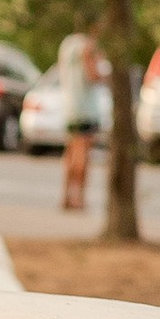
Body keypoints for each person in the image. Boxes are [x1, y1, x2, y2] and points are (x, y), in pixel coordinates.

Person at [54, 30, 105, 214]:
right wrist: (106, 77)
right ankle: (80, 198)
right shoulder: (88, 46)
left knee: (70, 153)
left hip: (69, 104)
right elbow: (92, 75)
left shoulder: (67, 44)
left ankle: (66, 196)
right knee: (83, 153)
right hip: (86, 107)